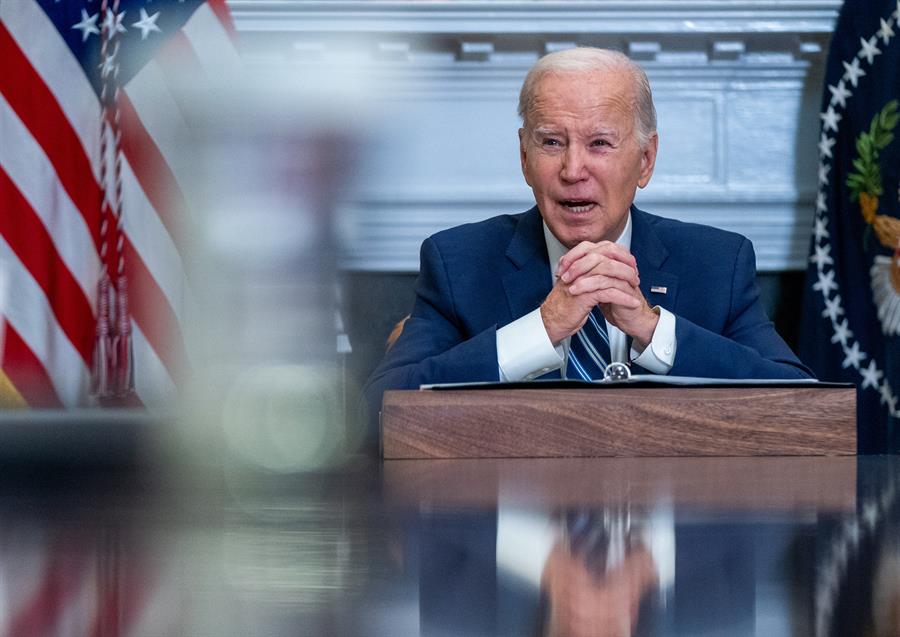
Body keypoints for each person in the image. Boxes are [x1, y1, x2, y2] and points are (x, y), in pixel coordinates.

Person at [364, 47, 812, 421]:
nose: (573, 170)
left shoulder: (717, 263)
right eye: (552, 142)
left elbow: (805, 405)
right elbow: (378, 414)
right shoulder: (458, 262)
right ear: (524, 157)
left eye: (599, 143)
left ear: (645, 160)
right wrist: (542, 329)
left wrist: (653, 330)